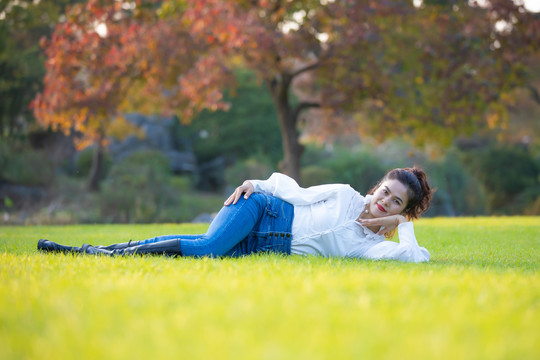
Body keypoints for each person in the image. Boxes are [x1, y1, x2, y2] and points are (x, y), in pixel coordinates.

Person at [37, 167, 433, 263]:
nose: (385, 202)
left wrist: (402, 227)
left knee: (196, 248)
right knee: (207, 247)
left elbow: (416, 258)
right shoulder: (345, 195)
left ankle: (89, 250)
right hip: (262, 209)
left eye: (396, 203)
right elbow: (294, 192)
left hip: (267, 246)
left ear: (403, 211)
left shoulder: (368, 247)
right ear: (377, 186)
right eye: (386, 192)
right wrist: (255, 183)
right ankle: (96, 254)